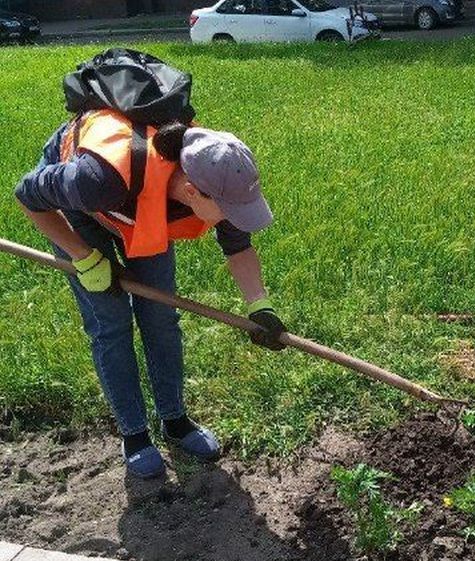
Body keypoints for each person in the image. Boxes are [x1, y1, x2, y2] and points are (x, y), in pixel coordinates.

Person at [15, 108, 287, 479]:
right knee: (110, 322)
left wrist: (260, 307)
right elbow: (27, 195)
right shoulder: (95, 179)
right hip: (84, 205)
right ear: (192, 192)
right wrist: (84, 257)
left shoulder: (214, 167)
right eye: (229, 212)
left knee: (160, 317)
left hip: (142, 201)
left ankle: (174, 419)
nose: (232, 219)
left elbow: (238, 246)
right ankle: (135, 434)